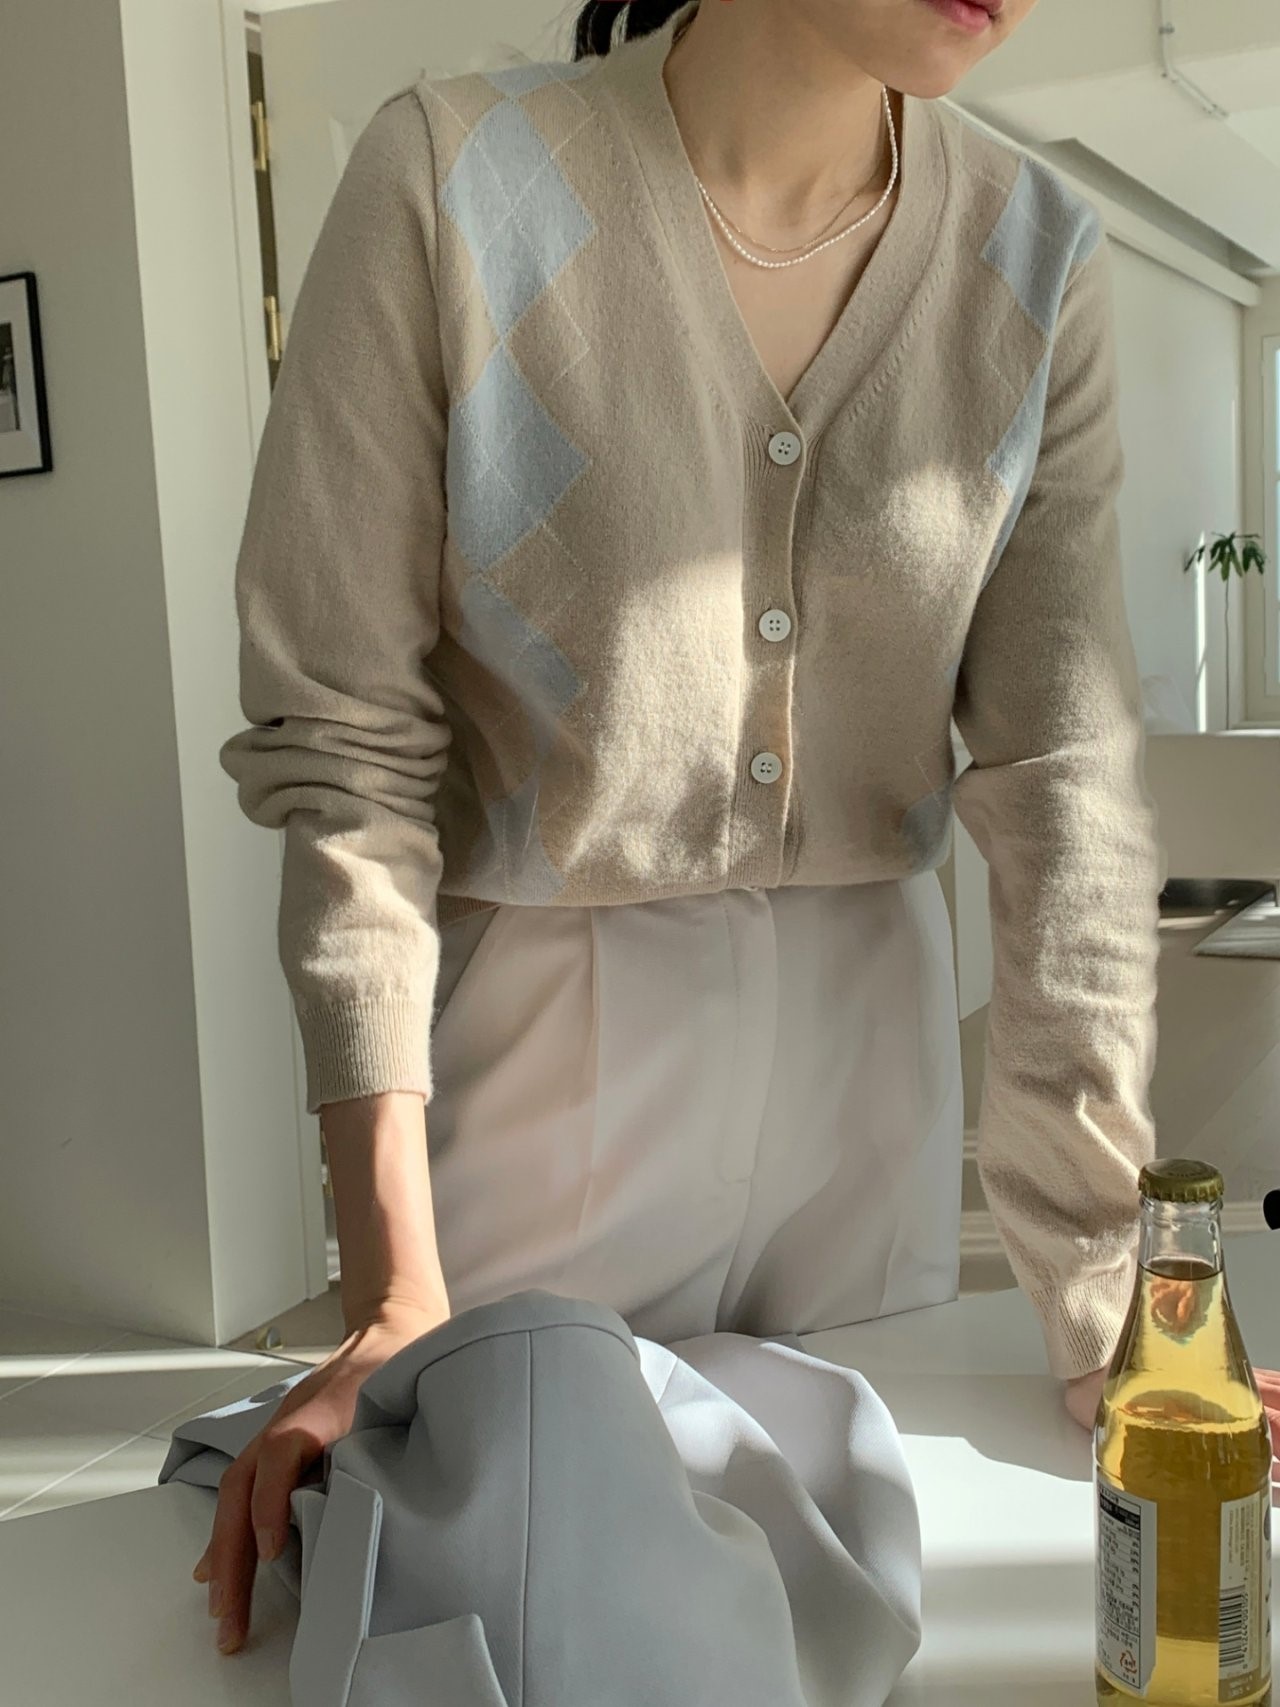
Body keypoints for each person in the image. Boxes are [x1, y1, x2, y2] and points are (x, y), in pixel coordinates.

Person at [193, 0, 1280, 1658]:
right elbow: (348, 756)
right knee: (534, 1635)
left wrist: (1109, 1296)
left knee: (856, 1633)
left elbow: (1066, 783)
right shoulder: (454, 181)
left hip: (867, 1088)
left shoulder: (1034, 251)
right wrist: (394, 1284)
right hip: (543, 1074)